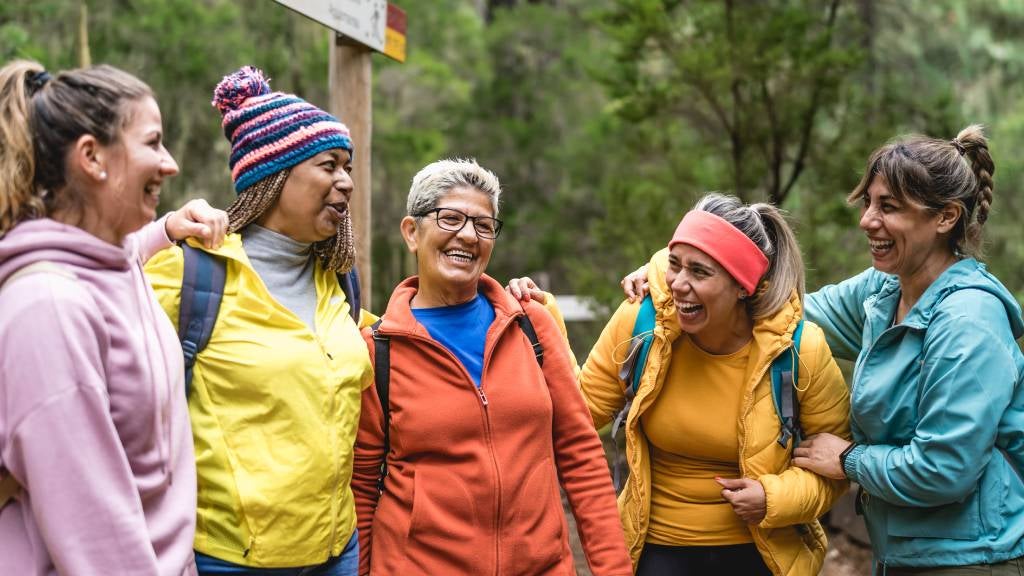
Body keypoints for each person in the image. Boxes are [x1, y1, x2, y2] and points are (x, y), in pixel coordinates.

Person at [510, 194, 852, 575]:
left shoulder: (799, 349)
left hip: (762, 553)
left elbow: (831, 468)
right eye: (675, 265)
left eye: (700, 272)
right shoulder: (644, 325)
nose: (679, 285)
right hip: (656, 550)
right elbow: (580, 413)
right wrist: (545, 320)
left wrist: (773, 498)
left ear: (743, 286)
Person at [350, 159, 633, 576]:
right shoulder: (379, 350)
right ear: (412, 232)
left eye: (484, 226)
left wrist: (613, 571)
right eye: (450, 218)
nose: (468, 235)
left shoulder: (531, 326)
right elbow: (361, 487)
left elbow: (581, 455)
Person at [0, 60, 227, 576]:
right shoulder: (49, 308)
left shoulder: (112, 257)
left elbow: (117, 262)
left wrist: (169, 228)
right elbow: (93, 530)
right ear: (91, 158)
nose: (169, 164)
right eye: (153, 143)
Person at [144, 66, 370, 576]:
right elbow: (91, 309)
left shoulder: (338, 281)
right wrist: (159, 232)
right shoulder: (192, 272)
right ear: (274, 175)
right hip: (229, 558)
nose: (347, 182)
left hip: (339, 551)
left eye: (348, 167)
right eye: (329, 165)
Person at [789, 126, 1024, 574]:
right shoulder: (886, 289)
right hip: (905, 554)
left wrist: (846, 460)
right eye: (869, 202)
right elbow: (790, 315)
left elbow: (944, 468)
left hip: (973, 560)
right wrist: (673, 278)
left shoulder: (967, 320)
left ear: (945, 217)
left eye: (888, 207)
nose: (867, 220)